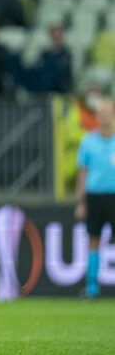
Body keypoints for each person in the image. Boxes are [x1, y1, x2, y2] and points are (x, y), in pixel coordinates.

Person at [75, 97, 115, 299]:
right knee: (94, 239)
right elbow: (83, 173)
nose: (105, 118)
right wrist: (81, 202)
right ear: (96, 117)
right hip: (95, 196)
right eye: (101, 114)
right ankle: (92, 287)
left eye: (108, 114)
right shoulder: (88, 141)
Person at [21, 25, 73, 94]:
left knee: (50, 65)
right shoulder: (45, 53)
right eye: (54, 38)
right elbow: (35, 68)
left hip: (57, 86)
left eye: (58, 38)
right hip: (41, 83)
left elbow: (64, 73)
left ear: (62, 38)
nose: (56, 41)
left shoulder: (66, 54)